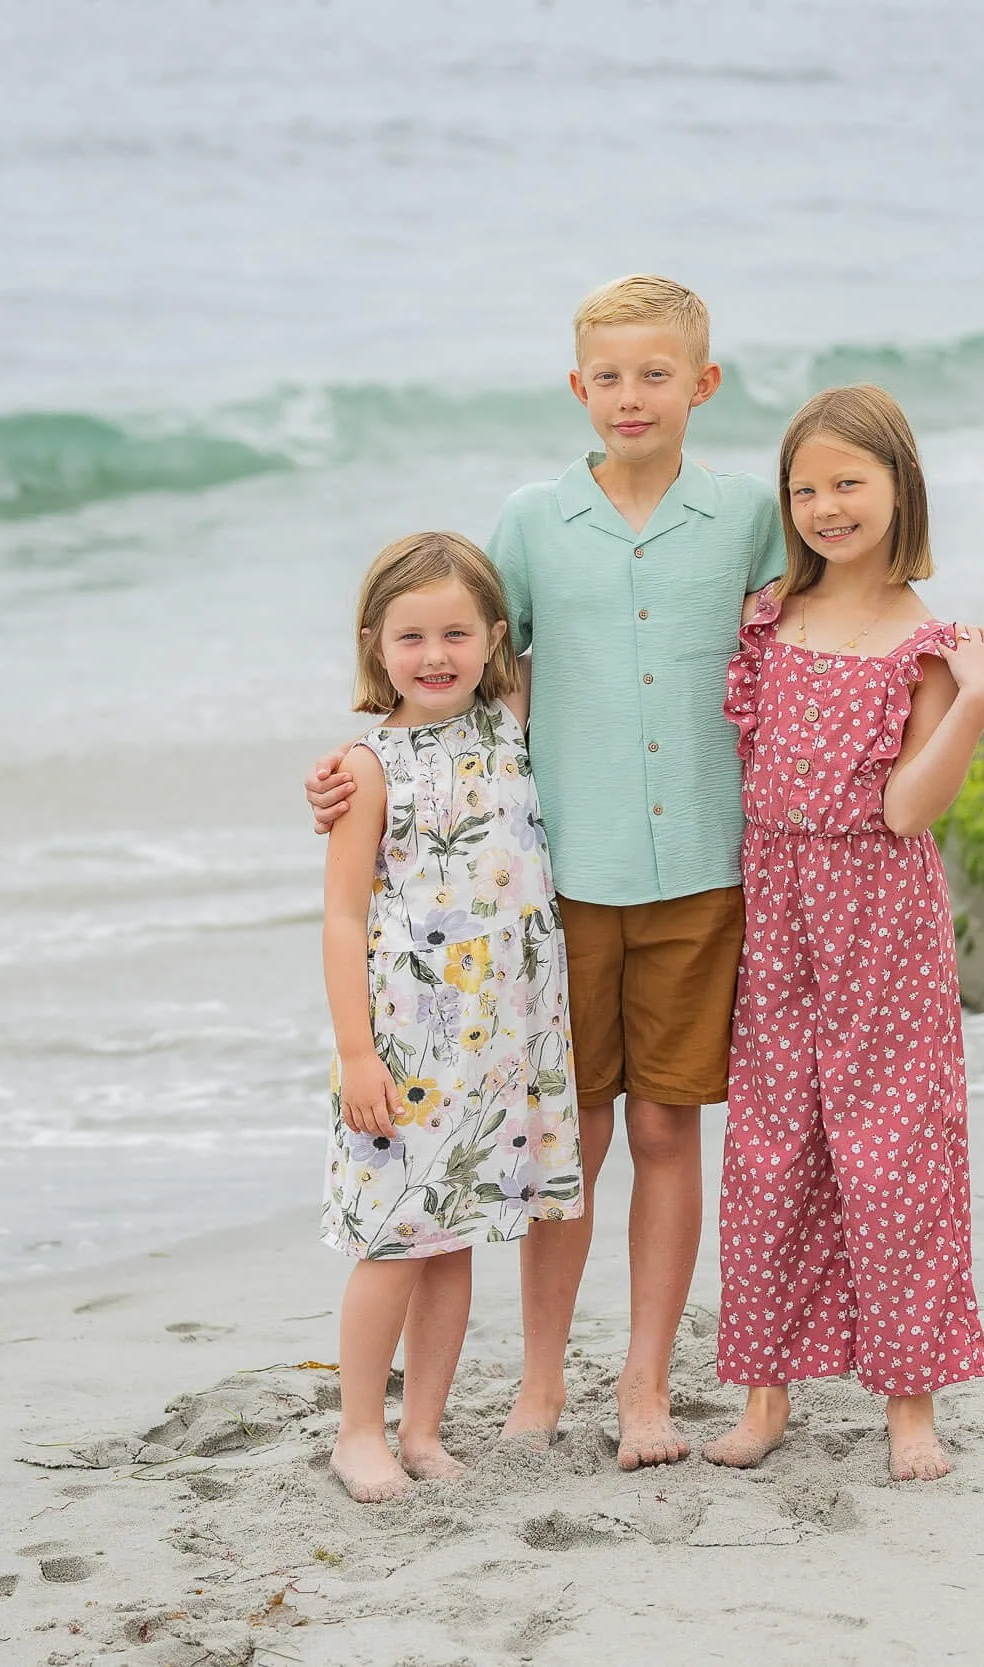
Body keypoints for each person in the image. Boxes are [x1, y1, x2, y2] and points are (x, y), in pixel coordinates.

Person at [310, 275, 785, 1469]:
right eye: (609, 377)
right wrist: (352, 774)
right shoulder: (528, 520)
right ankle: (536, 1384)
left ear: (702, 384)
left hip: (699, 877)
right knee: (559, 1137)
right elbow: (458, 676)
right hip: (552, 890)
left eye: (656, 374)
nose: (632, 397)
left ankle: (643, 1386)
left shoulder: (745, 519)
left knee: (669, 1130)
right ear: (579, 388)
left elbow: (803, 656)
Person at [701, 384, 984, 1483]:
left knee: (891, 1146)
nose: (826, 505)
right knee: (774, 1138)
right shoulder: (768, 614)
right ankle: (764, 1386)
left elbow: (908, 809)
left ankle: (908, 1399)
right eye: (806, 487)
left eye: (849, 483)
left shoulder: (928, 640)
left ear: (898, 487)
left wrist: (970, 703)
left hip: (880, 907)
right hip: (774, 897)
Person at [318, 530, 582, 1503]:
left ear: (495, 641)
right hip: (406, 1042)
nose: (435, 655)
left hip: (498, 1038)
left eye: (457, 633)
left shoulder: (507, 722)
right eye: (412, 636)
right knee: (393, 1241)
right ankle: (358, 1428)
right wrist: (356, 1053)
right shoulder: (368, 765)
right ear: (372, 644)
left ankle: (421, 1427)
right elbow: (342, 917)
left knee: (453, 1236)